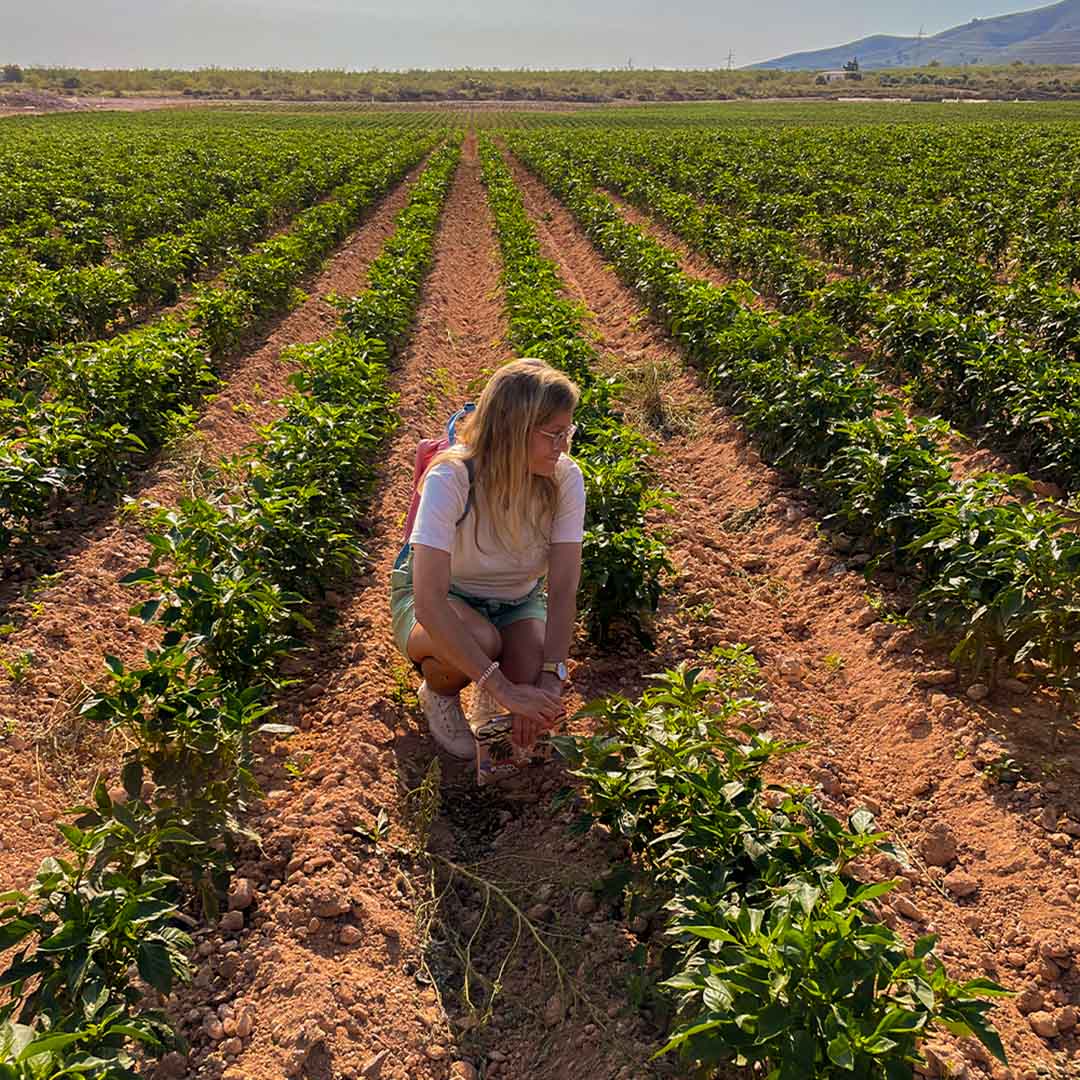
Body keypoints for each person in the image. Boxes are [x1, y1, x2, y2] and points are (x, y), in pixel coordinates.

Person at [390, 358, 585, 759]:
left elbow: (564, 589)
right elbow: (429, 600)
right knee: (481, 639)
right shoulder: (452, 478)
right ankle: (441, 691)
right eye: (553, 434)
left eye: (568, 431)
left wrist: (549, 680)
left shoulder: (565, 478)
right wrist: (505, 689)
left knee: (532, 662)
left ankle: (498, 722)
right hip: (444, 602)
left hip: (517, 600)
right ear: (513, 432)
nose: (563, 445)